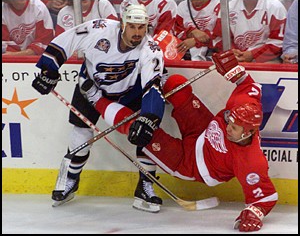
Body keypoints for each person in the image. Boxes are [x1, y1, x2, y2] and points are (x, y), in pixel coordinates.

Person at [92, 50, 278, 232]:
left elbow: (265, 198)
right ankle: (150, 77)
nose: (229, 127)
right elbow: (248, 85)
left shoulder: (251, 161)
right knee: (176, 84)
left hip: (190, 164)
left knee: (141, 130)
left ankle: (94, 98)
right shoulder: (243, 107)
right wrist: (235, 71)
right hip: (202, 131)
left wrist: (254, 213)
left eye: (235, 128)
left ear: (248, 133)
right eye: (229, 121)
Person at [31, 4, 166, 213]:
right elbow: (67, 41)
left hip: (130, 92)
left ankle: (146, 185)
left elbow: (153, 86)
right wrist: (49, 70)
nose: (138, 33)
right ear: (122, 24)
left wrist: (150, 118)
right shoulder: (98, 29)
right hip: (90, 87)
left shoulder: (151, 48)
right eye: (132, 27)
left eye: (142, 27)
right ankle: (71, 180)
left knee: (147, 133)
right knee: (81, 135)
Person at [212, 0, 287, 63]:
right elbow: (219, 38)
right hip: (235, 58)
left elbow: (279, 42)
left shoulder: (275, 7)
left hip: (266, 59)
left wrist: (253, 55)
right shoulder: (228, 7)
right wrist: (232, 52)